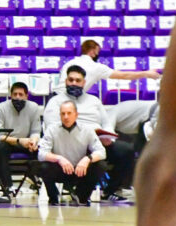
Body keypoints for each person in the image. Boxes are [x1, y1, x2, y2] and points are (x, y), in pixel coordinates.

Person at [44, 65, 135, 201]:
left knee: (126, 150)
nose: (74, 83)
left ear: (84, 83)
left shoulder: (94, 100)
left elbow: (107, 122)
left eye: (78, 80)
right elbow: (52, 126)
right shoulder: (55, 101)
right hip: (69, 142)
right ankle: (79, 192)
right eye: (71, 80)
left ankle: (109, 191)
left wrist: (108, 136)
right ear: (65, 81)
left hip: (97, 142)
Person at [38, 100, 107, 206]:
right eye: (63, 113)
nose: (66, 117)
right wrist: (59, 159)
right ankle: (53, 197)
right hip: (61, 170)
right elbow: (41, 154)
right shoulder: (52, 129)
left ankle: (81, 197)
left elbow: (102, 152)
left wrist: (87, 159)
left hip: (80, 170)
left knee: (101, 165)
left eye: (69, 113)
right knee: (44, 166)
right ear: (60, 115)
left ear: (76, 114)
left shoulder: (87, 130)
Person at [58, 40, 161, 94]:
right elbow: (124, 75)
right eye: (98, 52)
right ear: (93, 51)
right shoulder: (96, 67)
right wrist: (146, 73)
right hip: (70, 101)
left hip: (54, 98)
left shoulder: (68, 63)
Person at [0, 82, 42, 197]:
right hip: (8, 142)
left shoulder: (34, 107)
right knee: (0, 147)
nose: (17, 97)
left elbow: (36, 131)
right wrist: (19, 141)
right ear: (10, 95)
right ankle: (8, 186)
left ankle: (34, 177)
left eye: (21, 94)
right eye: (15, 94)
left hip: (26, 142)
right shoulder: (1, 107)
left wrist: (33, 141)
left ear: (26, 96)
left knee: (42, 148)